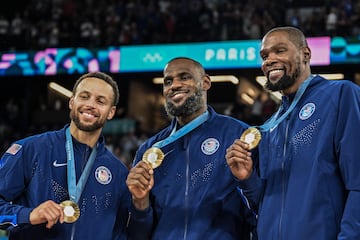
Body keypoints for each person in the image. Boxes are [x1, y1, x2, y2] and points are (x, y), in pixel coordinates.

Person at [226, 26, 360, 239]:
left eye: (280, 51)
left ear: (305, 54)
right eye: (264, 55)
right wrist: (247, 179)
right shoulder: (268, 127)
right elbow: (264, 206)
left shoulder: (340, 95)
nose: (269, 60)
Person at [126, 57, 257, 239]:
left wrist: (249, 181)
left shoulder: (238, 135)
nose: (174, 85)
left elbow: (261, 210)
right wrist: (139, 203)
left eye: (184, 77)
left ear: (205, 82)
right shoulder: (150, 150)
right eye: (168, 81)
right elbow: (138, 233)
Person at [0, 72, 132, 239]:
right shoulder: (31, 149)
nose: (90, 104)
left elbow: (119, 234)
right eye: (84, 96)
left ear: (111, 112)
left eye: (100, 101)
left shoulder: (119, 173)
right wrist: (29, 215)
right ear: (72, 102)